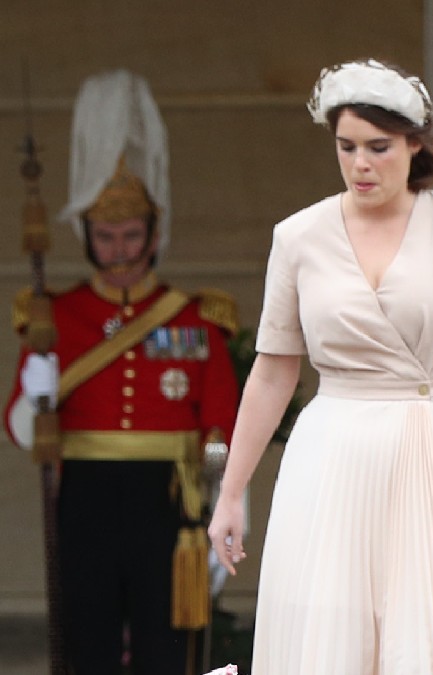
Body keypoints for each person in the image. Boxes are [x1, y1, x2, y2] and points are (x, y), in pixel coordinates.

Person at [206, 58, 433, 674]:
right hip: (332, 451)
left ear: (415, 143)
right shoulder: (297, 236)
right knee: (328, 634)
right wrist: (232, 491)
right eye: (346, 146)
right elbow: (274, 371)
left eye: (378, 146)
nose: (361, 163)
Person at [4, 69, 240, 674]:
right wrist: (35, 394)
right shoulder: (55, 315)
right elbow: (21, 431)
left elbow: (220, 424)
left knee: (166, 642)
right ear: (86, 236)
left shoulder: (196, 318)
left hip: (167, 496)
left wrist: (219, 503)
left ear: (153, 234)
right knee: (88, 637)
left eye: (130, 234)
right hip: (84, 493)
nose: (117, 249)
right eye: (105, 236)